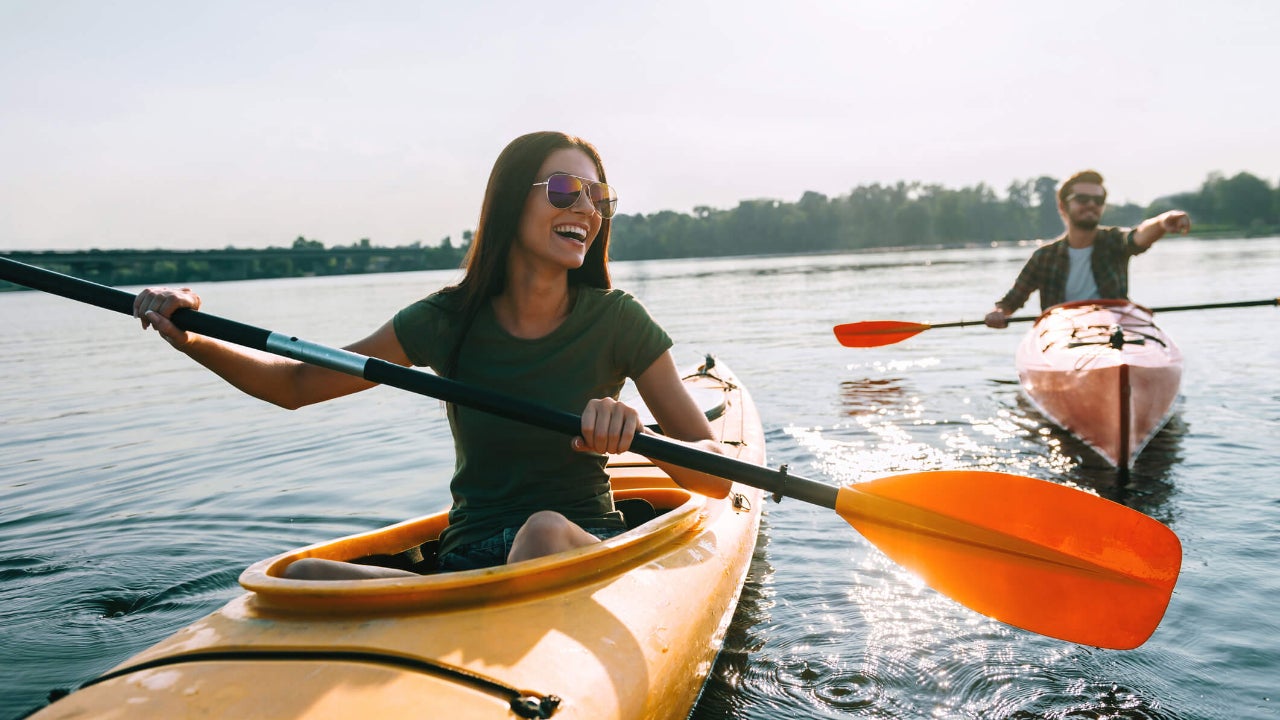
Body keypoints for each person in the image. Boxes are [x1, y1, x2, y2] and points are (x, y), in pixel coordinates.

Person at [132, 131, 731, 579]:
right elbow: (294, 384)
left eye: (600, 197)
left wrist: (633, 434)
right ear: (508, 202)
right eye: (566, 190)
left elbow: (714, 478)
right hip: (466, 559)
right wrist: (191, 336)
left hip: (575, 544)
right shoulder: (446, 319)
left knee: (542, 531)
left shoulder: (618, 320)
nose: (588, 209)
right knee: (298, 574)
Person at [984, 170, 1192, 328]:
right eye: (1082, 199)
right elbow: (1011, 302)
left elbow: (1138, 236)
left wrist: (1163, 222)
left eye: (1098, 200)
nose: (1091, 204)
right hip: (1062, 334)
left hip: (1114, 330)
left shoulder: (1113, 241)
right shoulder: (1044, 257)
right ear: (1063, 207)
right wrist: (999, 313)